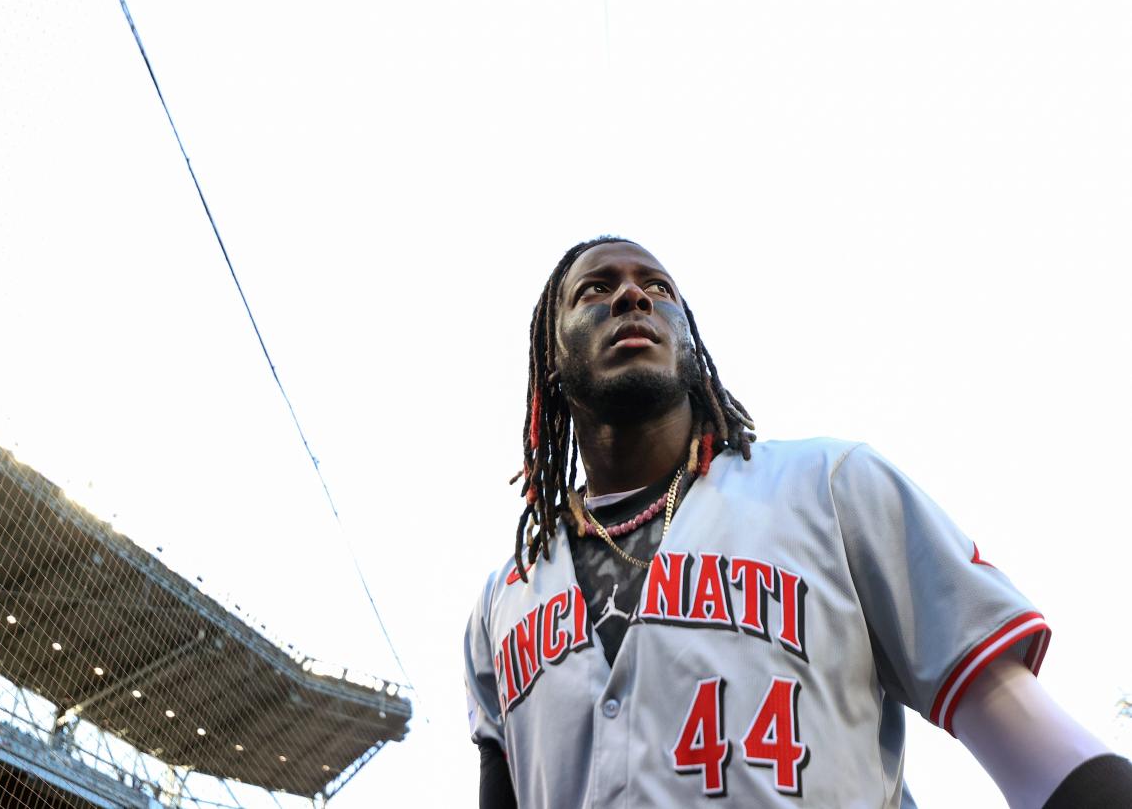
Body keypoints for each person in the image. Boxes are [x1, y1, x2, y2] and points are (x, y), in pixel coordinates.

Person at [463, 236, 1132, 808]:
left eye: (657, 286)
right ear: (552, 357)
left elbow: (1031, 741)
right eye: (595, 290)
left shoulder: (830, 488)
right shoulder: (502, 602)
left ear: (689, 345)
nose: (634, 297)